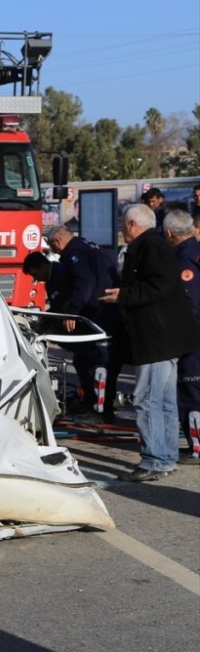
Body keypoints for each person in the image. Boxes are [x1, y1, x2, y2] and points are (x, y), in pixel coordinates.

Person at [100, 204, 200, 481]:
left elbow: (161, 285)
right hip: (162, 337)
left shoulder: (150, 247)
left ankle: (156, 459)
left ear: (132, 224)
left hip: (157, 337)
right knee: (164, 401)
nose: (121, 228)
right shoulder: (153, 245)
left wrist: (124, 295)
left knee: (147, 399)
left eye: (123, 223)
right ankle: (164, 457)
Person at [45, 225, 122, 420]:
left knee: (98, 363)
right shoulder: (86, 246)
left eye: (51, 246)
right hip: (105, 310)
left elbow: (83, 284)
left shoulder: (75, 252)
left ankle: (101, 410)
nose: (53, 251)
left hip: (101, 313)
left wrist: (71, 312)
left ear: (57, 241)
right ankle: (92, 402)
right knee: (83, 359)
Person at [163, 209, 200, 464]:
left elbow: (189, 303)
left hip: (193, 339)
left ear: (168, 233)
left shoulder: (183, 259)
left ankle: (196, 447)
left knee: (191, 392)